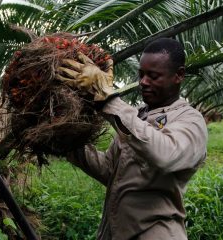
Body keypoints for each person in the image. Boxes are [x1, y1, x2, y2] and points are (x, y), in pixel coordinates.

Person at [56, 38, 208, 240]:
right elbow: (109, 170)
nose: (144, 82)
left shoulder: (190, 121)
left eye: (153, 76)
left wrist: (109, 99)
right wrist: (64, 139)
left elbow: (165, 155)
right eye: (141, 75)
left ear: (179, 75)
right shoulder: (136, 116)